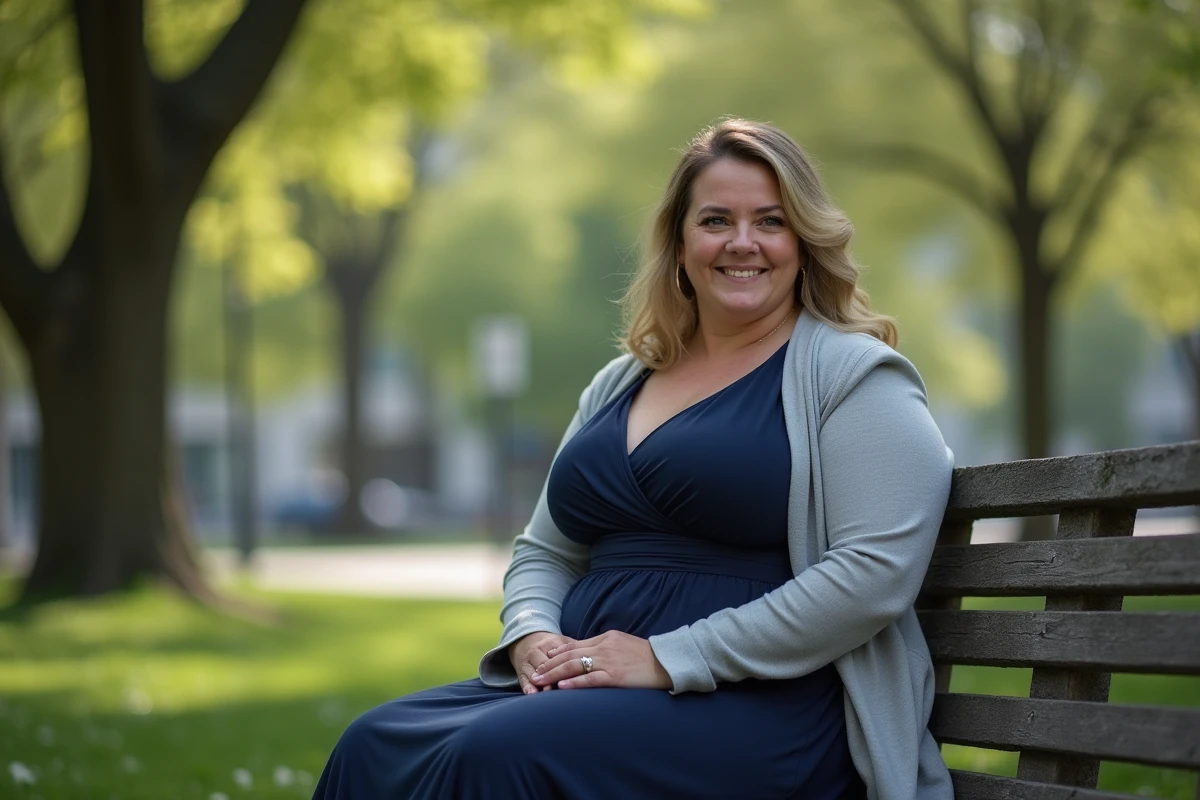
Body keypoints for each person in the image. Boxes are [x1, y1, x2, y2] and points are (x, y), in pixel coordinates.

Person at [314, 118, 954, 800]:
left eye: (771, 221)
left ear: (805, 240)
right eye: (715, 220)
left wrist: (667, 657)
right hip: (594, 692)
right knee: (372, 743)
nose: (743, 242)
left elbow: (872, 575)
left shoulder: (856, 377)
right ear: (680, 246)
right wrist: (531, 634)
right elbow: (545, 551)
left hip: (765, 706)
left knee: (497, 755)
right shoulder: (622, 382)